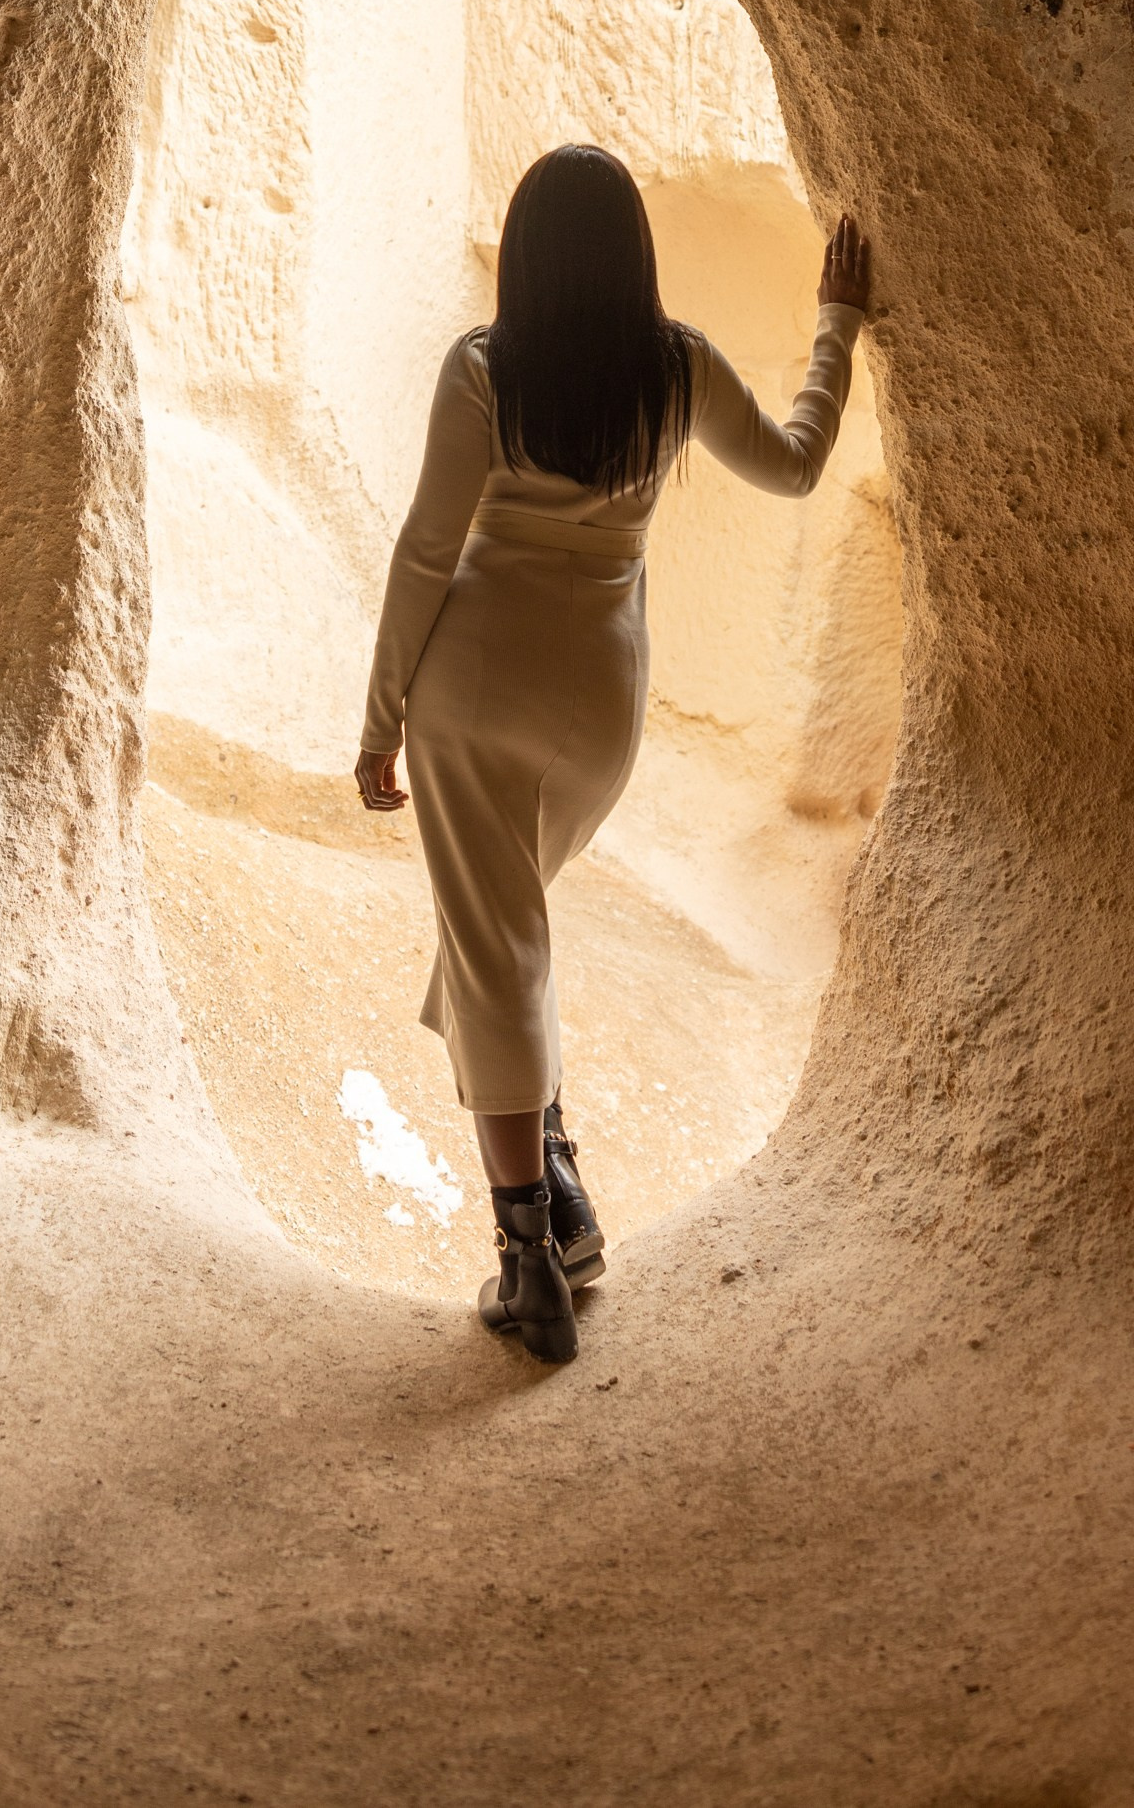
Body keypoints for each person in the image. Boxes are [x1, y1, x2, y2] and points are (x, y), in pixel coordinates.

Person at [355, 142, 871, 1364]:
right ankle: (563, 1182)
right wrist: (838, 323)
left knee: (496, 953)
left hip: (475, 686)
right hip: (600, 702)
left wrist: (380, 718)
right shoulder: (675, 365)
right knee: (498, 939)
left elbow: (429, 551)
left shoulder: (487, 369)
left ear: (526, 260)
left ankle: (527, 1254)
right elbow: (798, 464)